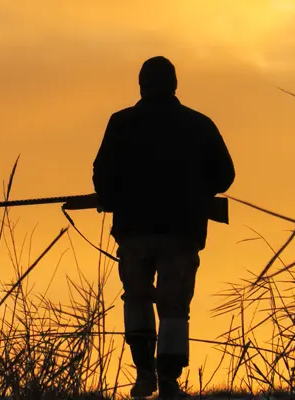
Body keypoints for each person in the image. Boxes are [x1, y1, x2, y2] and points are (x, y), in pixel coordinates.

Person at [92, 56, 236, 399]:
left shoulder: (121, 123)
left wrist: (113, 198)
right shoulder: (199, 124)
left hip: (135, 233)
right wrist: (196, 192)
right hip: (181, 234)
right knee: (174, 307)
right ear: (174, 85)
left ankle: (144, 376)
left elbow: (102, 177)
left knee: (137, 299)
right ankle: (169, 383)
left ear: (141, 85)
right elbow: (225, 175)